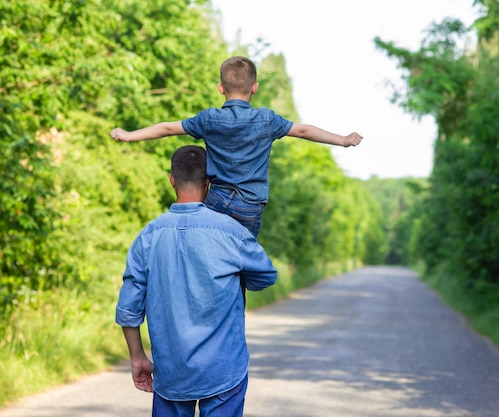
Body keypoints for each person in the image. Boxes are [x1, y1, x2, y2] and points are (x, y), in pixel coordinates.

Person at [111, 55, 363, 237]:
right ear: (255, 88)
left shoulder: (208, 119)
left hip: (217, 200)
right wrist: (342, 140)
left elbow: (167, 128)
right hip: (249, 207)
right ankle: (248, 276)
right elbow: (304, 130)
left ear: (221, 88)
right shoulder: (267, 120)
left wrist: (129, 135)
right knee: (241, 262)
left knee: (210, 250)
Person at [115, 145, 277, 417]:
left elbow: (129, 308)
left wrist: (137, 357)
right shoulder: (231, 232)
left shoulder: (149, 235)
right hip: (224, 369)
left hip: (171, 372)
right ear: (209, 183)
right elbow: (265, 275)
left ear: (172, 180)